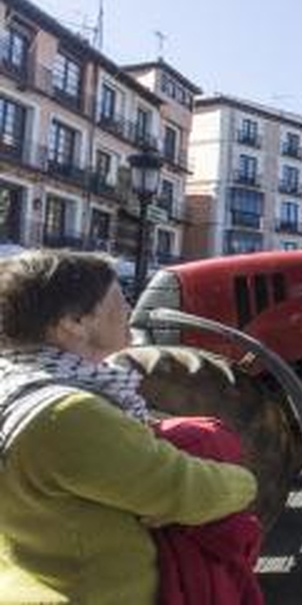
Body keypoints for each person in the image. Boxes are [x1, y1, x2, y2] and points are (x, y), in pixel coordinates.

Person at [0, 250, 258, 604]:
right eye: (118, 297)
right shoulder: (67, 414)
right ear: (73, 323)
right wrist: (245, 480)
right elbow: (187, 491)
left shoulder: (17, 384)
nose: (129, 308)